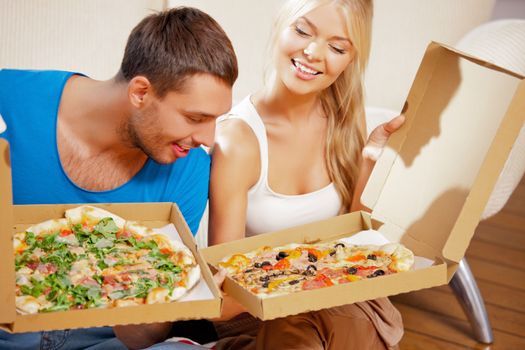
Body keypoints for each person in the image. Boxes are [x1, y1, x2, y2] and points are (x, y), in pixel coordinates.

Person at [0, 6, 237, 350]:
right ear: (140, 92)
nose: (209, 138)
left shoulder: (189, 168)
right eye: (194, 117)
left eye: (216, 119)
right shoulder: (10, 102)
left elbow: (145, 338)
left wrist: (132, 278)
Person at [208, 0, 405, 349]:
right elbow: (228, 293)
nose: (313, 52)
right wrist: (310, 275)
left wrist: (370, 161)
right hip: (259, 316)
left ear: (351, 59)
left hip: (341, 299)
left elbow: (356, 237)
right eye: (302, 30)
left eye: (337, 46)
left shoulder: (344, 117)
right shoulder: (237, 141)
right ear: (279, 27)